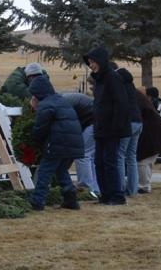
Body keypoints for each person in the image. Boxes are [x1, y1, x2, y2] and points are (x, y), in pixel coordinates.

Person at [27, 76, 83, 211]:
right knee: (61, 170)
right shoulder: (61, 100)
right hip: (73, 143)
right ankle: (70, 199)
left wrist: (34, 142)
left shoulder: (45, 105)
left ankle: (37, 201)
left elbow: (40, 129)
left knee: (45, 172)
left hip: (57, 144)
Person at [82, 47, 130, 205]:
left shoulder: (113, 78)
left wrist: (116, 126)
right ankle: (105, 194)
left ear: (100, 61)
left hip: (112, 129)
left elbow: (121, 103)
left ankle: (117, 195)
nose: (91, 65)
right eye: (89, 62)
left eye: (93, 62)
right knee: (99, 163)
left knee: (110, 163)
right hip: (100, 128)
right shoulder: (99, 80)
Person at [134, 82, 161, 192]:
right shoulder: (144, 102)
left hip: (151, 135)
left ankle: (143, 185)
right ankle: (145, 183)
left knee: (142, 161)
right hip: (157, 134)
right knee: (147, 161)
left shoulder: (138, 102)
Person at [61, 91, 99, 195]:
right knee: (90, 157)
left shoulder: (64, 102)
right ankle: (95, 188)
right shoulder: (66, 98)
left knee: (83, 154)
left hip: (92, 122)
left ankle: (85, 186)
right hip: (96, 121)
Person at [116, 69, 144, 195]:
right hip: (138, 122)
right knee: (131, 156)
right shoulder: (132, 88)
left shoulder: (121, 89)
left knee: (120, 155)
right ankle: (133, 189)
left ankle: (120, 188)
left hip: (128, 123)